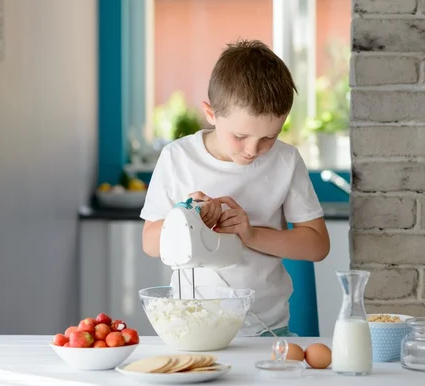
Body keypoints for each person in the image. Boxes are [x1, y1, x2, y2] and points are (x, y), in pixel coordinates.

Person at [139, 39, 330, 337]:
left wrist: (250, 234)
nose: (253, 150)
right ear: (211, 113)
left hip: (267, 329)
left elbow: (317, 246)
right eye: (240, 136)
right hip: (191, 327)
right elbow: (150, 244)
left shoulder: (286, 160)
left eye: (269, 137)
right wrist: (187, 219)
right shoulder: (177, 158)